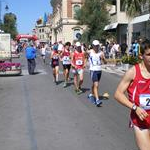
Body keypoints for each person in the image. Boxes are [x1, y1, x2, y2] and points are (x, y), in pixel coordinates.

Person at [114, 40, 150, 150]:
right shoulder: (133, 72)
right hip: (141, 119)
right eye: (149, 54)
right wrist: (135, 108)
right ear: (141, 56)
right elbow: (118, 94)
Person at [87, 40, 107, 107]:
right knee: (96, 85)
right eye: (95, 45)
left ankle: (91, 94)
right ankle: (97, 100)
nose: (96, 47)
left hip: (99, 71)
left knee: (95, 84)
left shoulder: (101, 52)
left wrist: (103, 59)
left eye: (97, 45)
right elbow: (83, 55)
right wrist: (84, 62)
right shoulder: (89, 52)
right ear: (92, 45)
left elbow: (105, 62)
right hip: (93, 70)